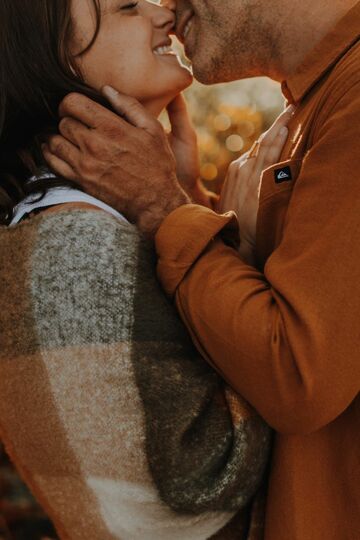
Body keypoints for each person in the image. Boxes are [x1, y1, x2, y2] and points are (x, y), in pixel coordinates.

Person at [43, 0, 360, 539]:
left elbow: (297, 375)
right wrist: (191, 203)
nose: (165, 6)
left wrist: (165, 208)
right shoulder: (319, 103)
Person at [0, 1, 295, 539]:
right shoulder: (76, 243)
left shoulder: (66, 222)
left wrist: (183, 201)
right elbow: (197, 482)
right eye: (128, 8)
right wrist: (251, 245)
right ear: (59, 64)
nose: (164, 13)